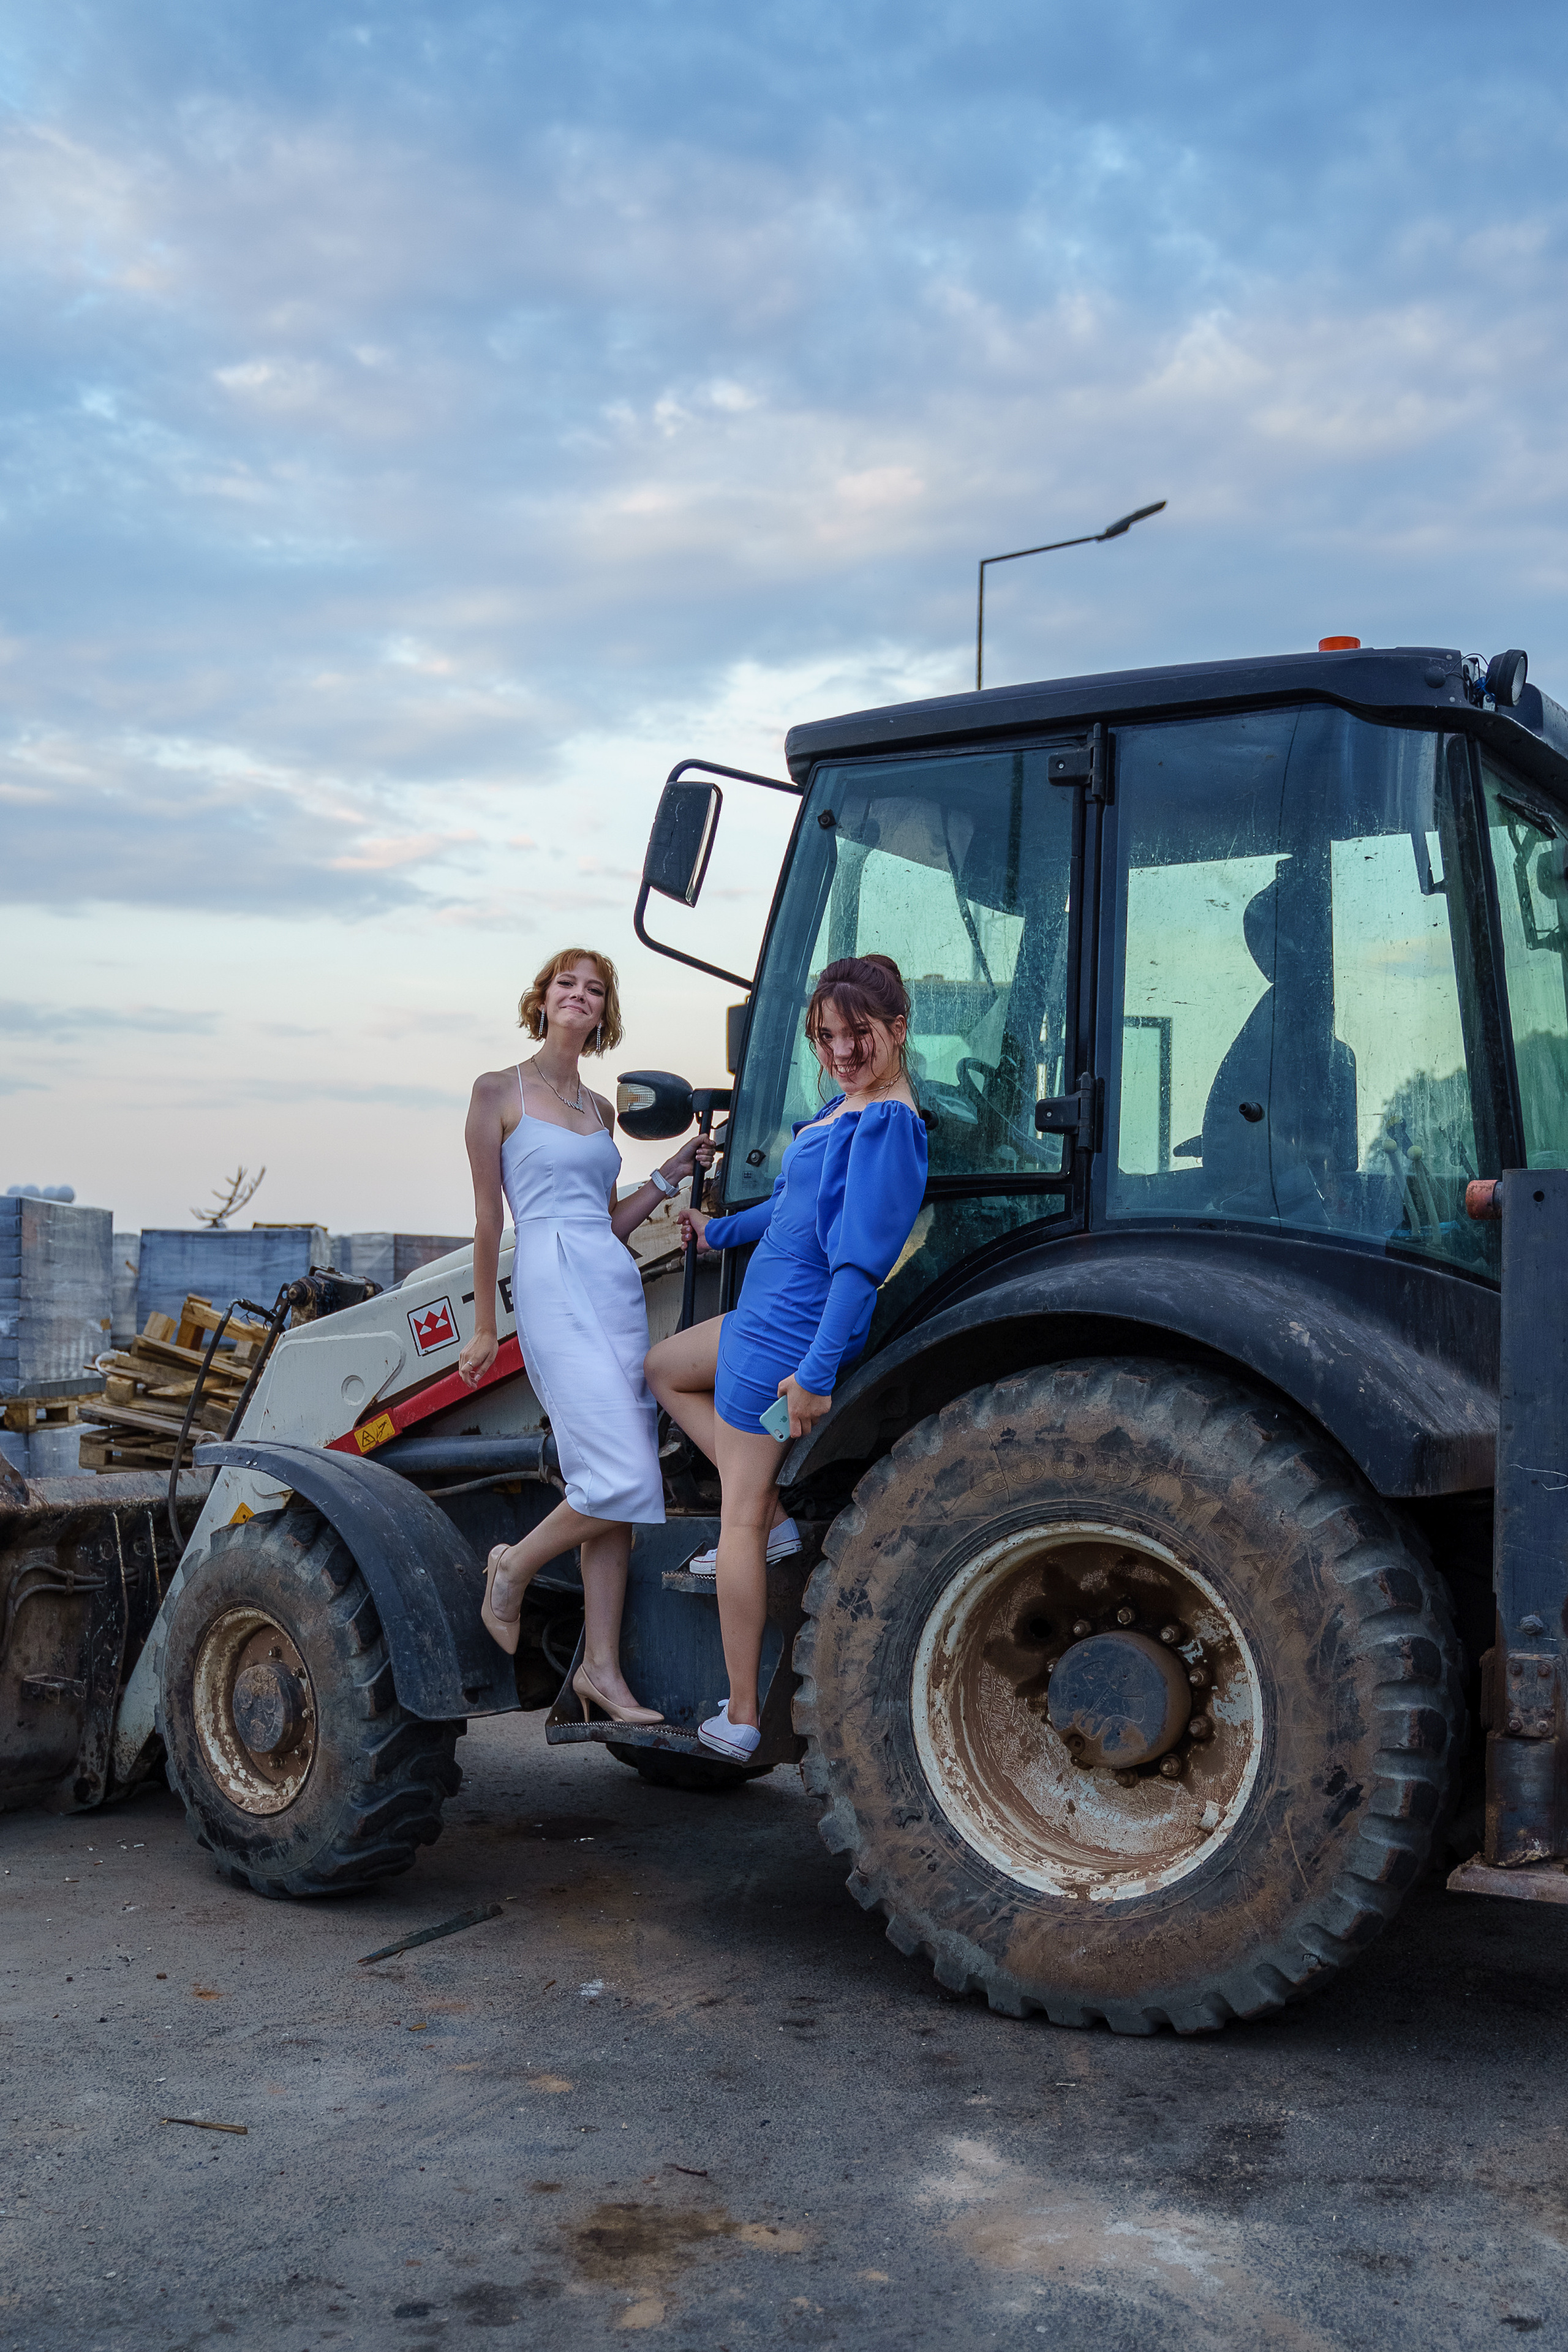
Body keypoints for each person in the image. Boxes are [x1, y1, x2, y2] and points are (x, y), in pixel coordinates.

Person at [645, 954, 928, 1761]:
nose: (842, 1050)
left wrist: (813, 1375)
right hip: (756, 1316)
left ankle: (737, 1717)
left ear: (897, 1029)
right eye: (828, 1036)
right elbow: (789, 1208)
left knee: (733, 1517)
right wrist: (715, 1230)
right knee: (661, 1367)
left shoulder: (886, 1128)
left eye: (859, 1034)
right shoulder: (848, 1108)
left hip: (783, 1338)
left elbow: (857, 1267)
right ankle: (764, 1511)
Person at [458, 947, 711, 1725]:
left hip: (610, 1282)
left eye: (594, 989)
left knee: (619, 1489)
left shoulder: (602, 1111)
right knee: (623, 1475)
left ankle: (601, 1671)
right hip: (548, 1277)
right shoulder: (497, 1091)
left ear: (604, 1013)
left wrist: (668, 1174)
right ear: (543, 999)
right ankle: (513, 1567)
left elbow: (608, 1224)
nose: (579, 996)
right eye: (566, 983)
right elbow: (487, 1221)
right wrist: (482, 1326)